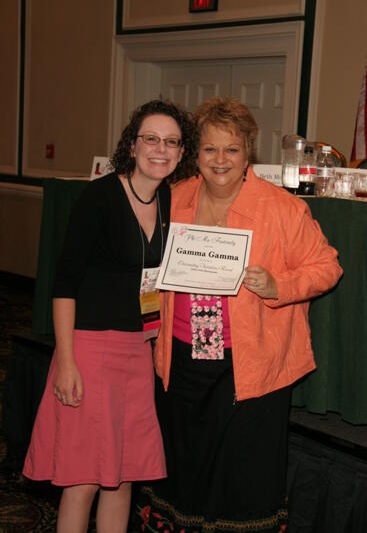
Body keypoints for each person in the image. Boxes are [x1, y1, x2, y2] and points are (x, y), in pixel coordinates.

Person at [133, 97, 343, 533]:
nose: (220, 160)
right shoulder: (175, 198)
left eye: (231, 149)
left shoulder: (281, 208)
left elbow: (327, 266)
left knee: (243, 476)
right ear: (197, 154)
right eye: (210, 149)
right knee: (183, 467)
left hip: (250, 367)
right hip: (182, 357)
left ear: (248, 151)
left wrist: (279, 287)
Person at [23, 99, 198, 533]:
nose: (161, 149)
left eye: (172, 142)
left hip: (137, 354)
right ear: (133, 145)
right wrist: (66, 363)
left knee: (122, 477)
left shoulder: (170, 201)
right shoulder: (99, 197)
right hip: (90, 350)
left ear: (181, 152)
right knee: (82, 479)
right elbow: (64, 285)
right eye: (151, 139)